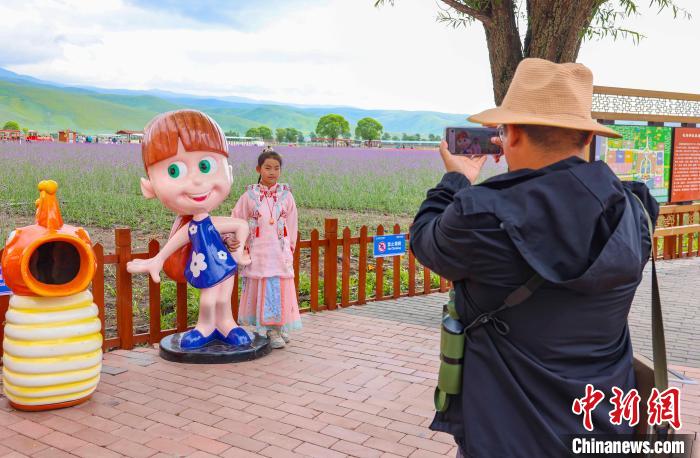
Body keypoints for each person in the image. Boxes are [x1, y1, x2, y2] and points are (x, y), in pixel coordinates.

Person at [410, 58, 659, 457]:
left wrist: (456, 179)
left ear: (512, 134)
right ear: (586, 137)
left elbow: (426, 240)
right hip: (604, 424)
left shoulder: (481, 216)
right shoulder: (635, 208)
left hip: (508, 432)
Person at [126, 110, 253, 349]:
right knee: (208, 301)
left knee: (224, 298)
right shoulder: (193, 227)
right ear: (149, 187)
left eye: (205, 165)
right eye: (174, 171)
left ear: (229, 172)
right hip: (205, 267)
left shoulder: (211, 223)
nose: (196, 181)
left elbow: (241, 225)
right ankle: (205, 328)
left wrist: (237, 253)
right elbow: (176, 242)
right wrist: (158, 259)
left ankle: (227, 325)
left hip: (224, 265)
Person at [224, 150, 301, 349]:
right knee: (265, 288)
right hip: (258, 252)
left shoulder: (286, 196)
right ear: (259, 169)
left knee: (279, 287)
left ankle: (279, 325)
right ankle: (269, 329)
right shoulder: (248, 196)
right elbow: (237, 220)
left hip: (279, 252)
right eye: (267, 168)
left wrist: (289, 247)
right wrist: (234, 240)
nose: (272, 172)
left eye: (276, 168)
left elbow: (292, 224)